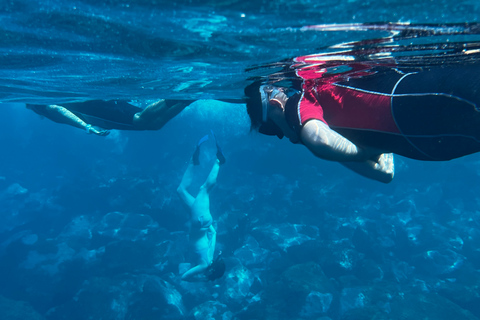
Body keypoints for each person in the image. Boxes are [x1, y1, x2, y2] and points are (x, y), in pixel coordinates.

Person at [245, 55, 480, 183]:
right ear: (273, 102)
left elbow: (385, 174)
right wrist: (364, 151)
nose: (282, 137)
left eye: (272, 132)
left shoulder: (338, 138)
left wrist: (367, 149)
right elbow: (320, 139)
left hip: (432, 146)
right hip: (423, 100)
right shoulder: (301, 101)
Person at [177, 132, 226, 282]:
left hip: (202, 221)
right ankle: (219, 161)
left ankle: (193, 161)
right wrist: (201, 278)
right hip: (199, 221)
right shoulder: (204, 265)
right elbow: (184, 277)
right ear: (212, 271)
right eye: (210, 276)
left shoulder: (211, 256)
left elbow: (214, 233)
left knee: (180, 191)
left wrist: (207, 225)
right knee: (204, 189)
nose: (207, 276)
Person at [26, 99, 193, 136]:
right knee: (153, 124)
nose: (27, 108)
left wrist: (87, 127)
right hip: (97, 109)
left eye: (28, 106)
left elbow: (56, 109)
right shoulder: (37, 104)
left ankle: (175, 98)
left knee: (140, 120)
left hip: (96, 111)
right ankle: (188, 98)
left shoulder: (39, 104)